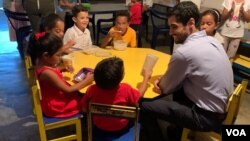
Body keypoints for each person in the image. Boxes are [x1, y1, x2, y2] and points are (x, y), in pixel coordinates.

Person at [140, 1, 234, 141]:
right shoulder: (212, 41)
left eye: (174, 27)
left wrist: (162, 83)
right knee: (180, 86)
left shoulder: (185, 53)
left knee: (144, 105)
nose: (170, 32)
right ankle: (176, 130)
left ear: (191, 23)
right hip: (221, 108)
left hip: (205, 117)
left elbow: (165, 88)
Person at [30, 32, 93, 118]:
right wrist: (87, 81)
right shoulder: (47, 73)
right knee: (87, 99)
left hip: (53, 98)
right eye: (58, 55)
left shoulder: (41, 63)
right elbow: (68, 90)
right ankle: (87, 121)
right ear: (46, 55)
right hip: (57, 106)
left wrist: (62, 67)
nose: (60, 58)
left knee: (81, 94)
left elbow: (52, 71)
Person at [81, 57, 151, 132]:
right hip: (121, 126)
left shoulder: (92, 89)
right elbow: (139, 95)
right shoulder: (126, 89)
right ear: (121, 77)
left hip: (99, 125)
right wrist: (146, 78)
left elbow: (84, 109)